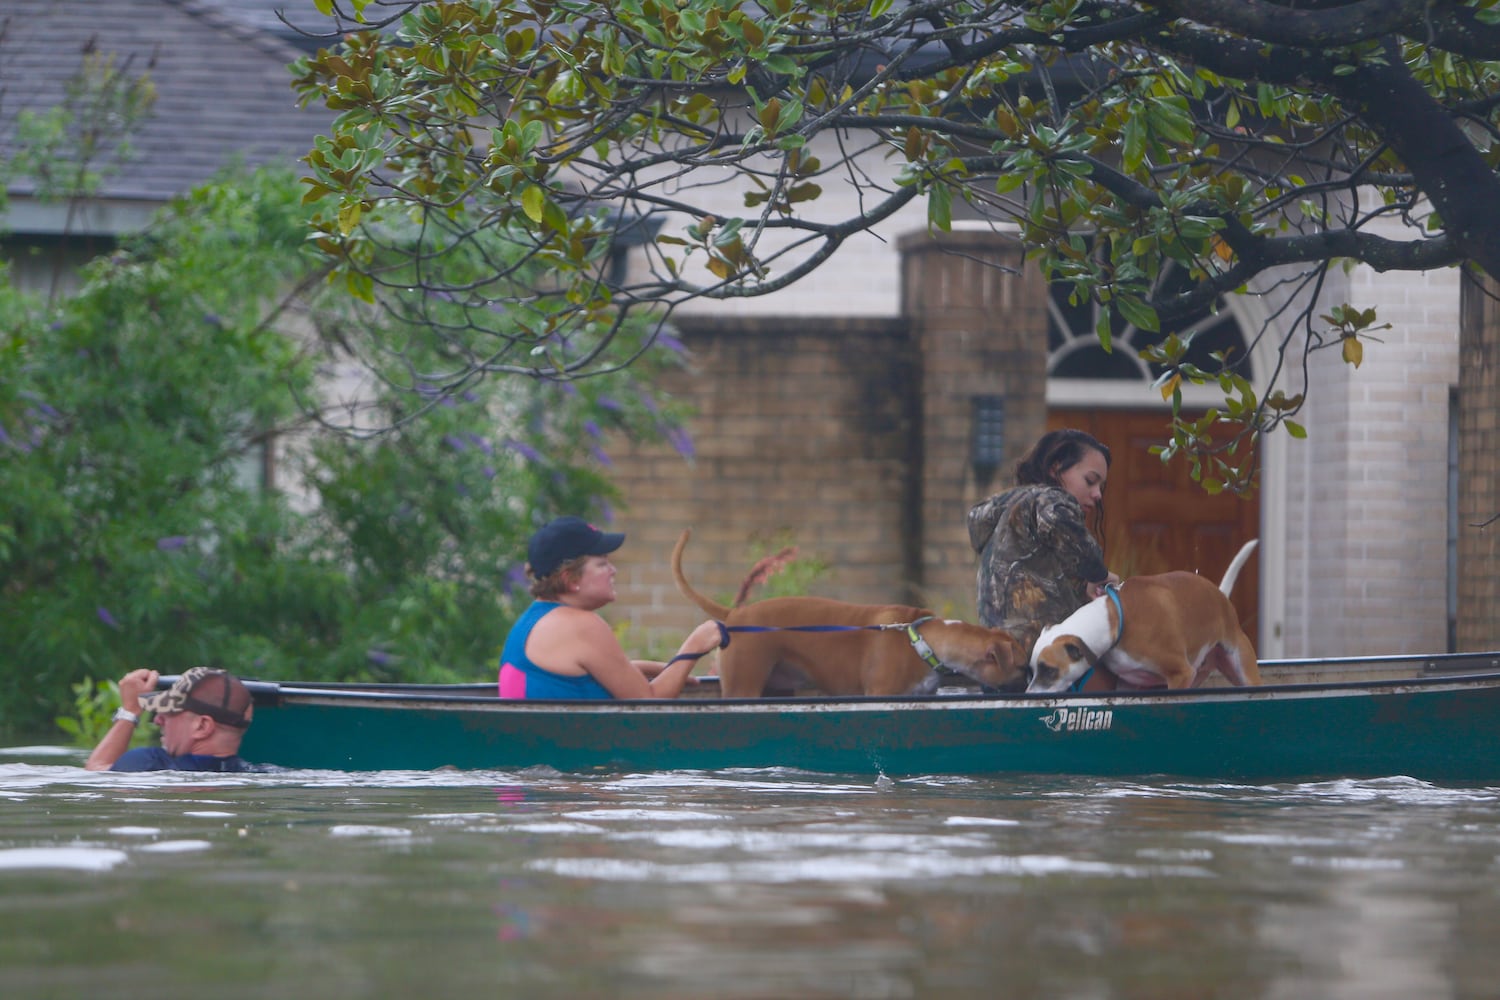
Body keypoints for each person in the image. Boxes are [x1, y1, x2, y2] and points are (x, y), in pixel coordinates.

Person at [499, 515, 727, 699]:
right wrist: (694, 646)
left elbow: (574, 675)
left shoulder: (533, 621)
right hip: (574, 755)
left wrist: (658, 668)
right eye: (602, 563)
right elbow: (650, 704)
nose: (613, 570)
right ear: (571, 579)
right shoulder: (581, 625)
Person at [967, 428, 1120, 660]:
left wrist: (1083, 585)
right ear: (1055, 468)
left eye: (1101, 487)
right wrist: (1100, 574)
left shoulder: (1014, 512)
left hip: (999, 656)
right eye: (1090, 481)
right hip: (1043, 656)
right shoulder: (1050, 499)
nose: (1097, 494)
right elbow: (1082, 553)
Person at [85, 666, 256, 772]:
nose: (158, 720)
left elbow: (96, 774)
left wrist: (130, 711)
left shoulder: (149, 763)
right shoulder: (262, 773)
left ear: (202, 726)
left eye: (170, 712)